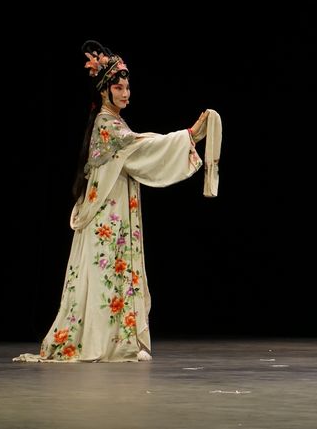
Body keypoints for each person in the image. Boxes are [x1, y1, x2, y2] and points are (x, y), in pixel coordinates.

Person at [15, 40, 210, 363]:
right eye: (119, 88)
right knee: (103, 267)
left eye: (127, 87)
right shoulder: (106, 124)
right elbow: (140, 146)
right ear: (105, 91)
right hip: (106, 211)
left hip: (114, 207)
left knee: (112, 267)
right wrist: (187, 136)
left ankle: (116, 339)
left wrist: (185, 137)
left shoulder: (114, 123)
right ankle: (100, 341)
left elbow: (138, 145)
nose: (125, 93)